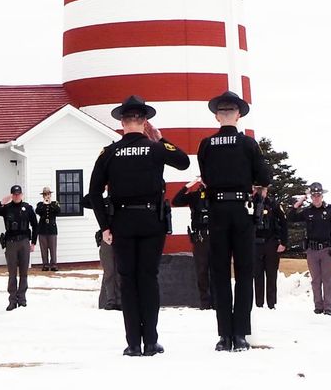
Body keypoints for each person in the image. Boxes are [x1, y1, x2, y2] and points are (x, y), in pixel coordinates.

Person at [89, 94, 190, 357]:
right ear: (144, 121)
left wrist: (105, 226)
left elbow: (93, 193)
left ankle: (133, 343)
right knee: (148, 279)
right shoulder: (155, 148)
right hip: (150, 222)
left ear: (122, 122)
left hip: (121, 223)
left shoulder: (109, 153)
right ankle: (151, 341)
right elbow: (183, 161)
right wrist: (160, 138)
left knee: (127, 280)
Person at [196, 90, 272, 352]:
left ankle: (224, 335)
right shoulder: (249, 144)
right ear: (238, 115)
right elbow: (265, 176)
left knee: (219, 272)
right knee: (243, 273)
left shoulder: (205, 144)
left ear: (218, 116)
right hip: (242, 210)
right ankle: (240, 334)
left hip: (216, 210)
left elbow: (205, 175)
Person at [290, 182, 331, 315]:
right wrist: (301, 200)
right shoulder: (307, 212)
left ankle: (328, 307)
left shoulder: (329, 211)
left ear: (322, 196)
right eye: (314, 195)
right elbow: (291, 216)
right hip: (312, 250)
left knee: (327, 280)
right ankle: (318, 306)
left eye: (318, 195)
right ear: (311, 197)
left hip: (326, 250)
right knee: (315, 280)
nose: (317, 198)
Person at [0, 185, 39, 310]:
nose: (16, 196)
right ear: (11, 195)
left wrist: (33, 243)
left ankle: (22, 299)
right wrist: (1, 202)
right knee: (12, 273)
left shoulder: (28, 208)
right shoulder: (6, 208)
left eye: (18, 194)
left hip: (24, 242)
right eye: (14, 194)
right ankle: (12, 300)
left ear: (22, 195)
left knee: (24, 272)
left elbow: (35, 225)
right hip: (11, 242)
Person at [171, 179, 213, 309]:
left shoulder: (216, 195)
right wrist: (188, 186)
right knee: (202, 271)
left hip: (216, 235)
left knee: (217, 270)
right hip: (200, 237)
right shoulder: (195, 196)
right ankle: (205, 302)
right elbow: (176, 201)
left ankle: (218, 302)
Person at [252, 185, 287, 310]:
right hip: (256, 243)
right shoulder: (251, 203)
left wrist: (283, 242)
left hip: (271, 243)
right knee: (258, 275)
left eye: (263, 189)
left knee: (271, 275)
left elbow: (283, 223)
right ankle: (259, 303)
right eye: (258, 189)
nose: (261, 192)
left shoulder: (273, 204)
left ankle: (271, 304)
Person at [36, 187, 62, 271]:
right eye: (45, 194)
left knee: (53, 248)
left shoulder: (55, 203)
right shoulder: (40, 204)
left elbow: (58, 211)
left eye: (48, 194)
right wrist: (44, 204)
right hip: (42, 229)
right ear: (43, 196)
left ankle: (54, 264)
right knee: (43, 248)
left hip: (51, 229)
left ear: (50, 195)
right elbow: (38, 211)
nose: (47, 196)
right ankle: (45, 264)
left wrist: (50, 203)